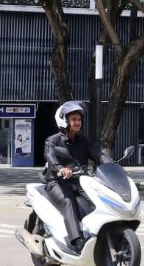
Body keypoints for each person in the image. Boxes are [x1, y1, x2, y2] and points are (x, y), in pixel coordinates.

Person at [43, 100, 108, 254]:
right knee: (68, 202)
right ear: (64, 120)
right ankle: (77, 241)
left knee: (99, 201)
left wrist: (114, 166)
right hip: (57, 182)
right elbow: (50, 156)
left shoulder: (83, 141)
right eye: (73, 119)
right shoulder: (52, 140)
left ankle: (98, 234)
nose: (77, 122)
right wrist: (60, 168)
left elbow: (99, 155)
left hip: (79, 181)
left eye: (79, 119)